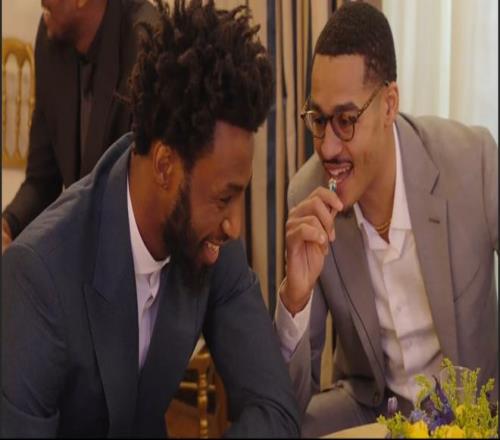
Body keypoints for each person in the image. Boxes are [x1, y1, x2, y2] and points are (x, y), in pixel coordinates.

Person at [1, 0, 300, 437]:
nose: (234, 225)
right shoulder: (37, 280)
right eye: (224, 198)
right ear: (164, 166)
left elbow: (275, 410)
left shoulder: (210, 240)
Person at [274, 2, 498, 437]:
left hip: (474, 415)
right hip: (374, 412)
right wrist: (294, 298)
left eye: (346, 120)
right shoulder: (306, 195)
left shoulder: (472, 162)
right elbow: (286, 400)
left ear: (390, 104)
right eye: (318, 120)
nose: (328, 147)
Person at [2, 0, 158, 253]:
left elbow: (144, 211)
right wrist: (8, 224)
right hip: (82, 251)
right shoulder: (50, 37)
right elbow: (42, 181)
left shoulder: (146, 43)